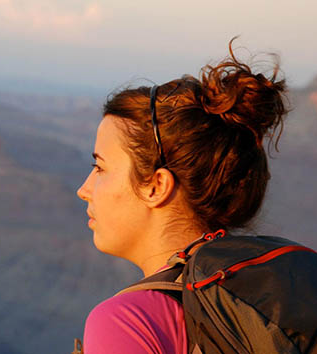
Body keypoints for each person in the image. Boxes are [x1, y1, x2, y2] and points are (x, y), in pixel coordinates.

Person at [76, 40, 288, 353]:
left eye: (100, 168)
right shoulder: (272, 303)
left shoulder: (127, 322)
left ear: (156, 186)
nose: (84, 189)